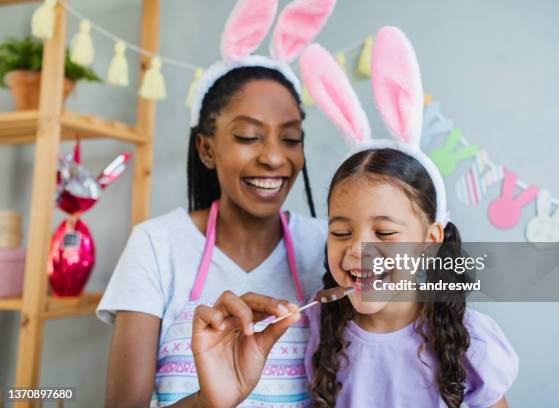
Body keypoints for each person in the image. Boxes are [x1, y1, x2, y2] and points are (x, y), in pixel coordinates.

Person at [96, 0, 337, 406]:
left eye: (291, 138)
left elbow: (427, 286)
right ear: (206, 150)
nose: (275, 158)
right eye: (247, 136)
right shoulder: (156, 246)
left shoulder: (329, 246)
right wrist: (212, 399)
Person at [299, 27, 519, 407]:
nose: (357, 251)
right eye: (339, 231)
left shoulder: (471, 342)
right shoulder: (317, 331)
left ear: (430, 240)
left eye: (384, 232)